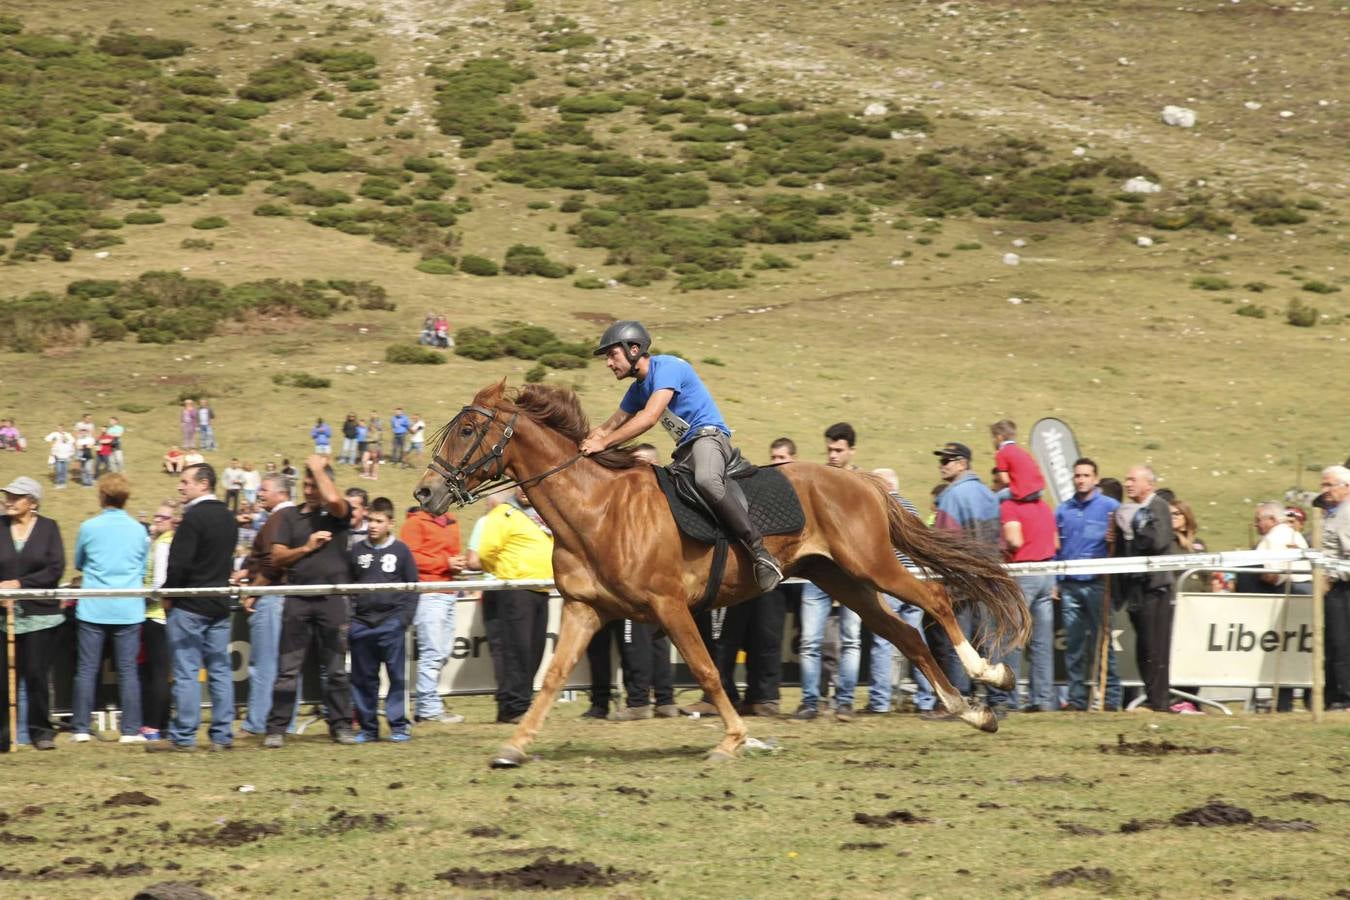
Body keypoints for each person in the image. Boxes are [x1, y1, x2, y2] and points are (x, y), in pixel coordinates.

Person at [580, 320, 782, 593]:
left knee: (707, 480)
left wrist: (603, 444)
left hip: (709, 439)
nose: (608, 363)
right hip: (684, 452)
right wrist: (581, 445)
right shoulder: (637, 389)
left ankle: (760, 553)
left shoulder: (668, 368)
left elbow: (649, 418)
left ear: (634, 349)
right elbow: (607, 427)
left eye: (612, 355)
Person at [264, 455, 357, 747]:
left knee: (336, 670)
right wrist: (306, 547)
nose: (308, 490)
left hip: (332, 600)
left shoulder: (338, 514)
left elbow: (334, 498)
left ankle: (341, 725)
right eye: (305, 484)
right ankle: (277, 728)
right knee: (288, 670)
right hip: (298, 599)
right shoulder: (290, 517)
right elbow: (276, 557)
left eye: (313, 484)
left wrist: (317, 467)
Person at [583, 444, 679, 720]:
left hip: (644, 581)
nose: (639, 471)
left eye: (646, 465)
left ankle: (646, 701)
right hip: (641, 580)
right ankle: (660, 700)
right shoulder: (632, 499)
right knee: (648, 642)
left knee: (646, 643)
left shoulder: (658, 501)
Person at [149, 464, 238, 753]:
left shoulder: (193, 518)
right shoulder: (229, 517)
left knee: (187, 671)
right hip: (219, 604)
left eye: (185, 482)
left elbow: (179, 564)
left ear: (203, 484)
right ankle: (222, 735)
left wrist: (168, 594)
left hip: (189, 605)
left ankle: (184, 736)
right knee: (220, 671)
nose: (180, 486)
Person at [70, 474, 149, 744]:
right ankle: (130, 730)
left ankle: (80, 728)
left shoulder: (88, 527)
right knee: (128, 670)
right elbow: (142, 566)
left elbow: (79, 562)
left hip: (93, 606)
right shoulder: (139, 530)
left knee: (87, 669)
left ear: (102, 496)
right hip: (128, 608)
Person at [793, 423, 864, 720]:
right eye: (830, 450)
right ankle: (810, 701)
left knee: (851, 638)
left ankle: (844, 701)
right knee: (810, 640)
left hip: (852, 571)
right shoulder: (819, 482)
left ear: (851, 451)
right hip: (819, 569)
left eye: (839, 450)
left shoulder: (860, 487)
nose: (833, 455)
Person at [930, 441, 1005, 714]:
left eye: (947, 460)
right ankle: (998, 700)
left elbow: (943, 543)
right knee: (987, 640)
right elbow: (999, 539)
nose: (942, 465)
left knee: (958, 642)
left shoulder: (951, 496)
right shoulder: (989, 494)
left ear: (962, 463)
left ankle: (961, 702)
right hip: (989, 579)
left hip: (961, 582)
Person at [471, 489, 554, 724]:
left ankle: (521, 702)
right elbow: (485, 552)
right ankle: (513, 707)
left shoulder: (541, 515)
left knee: (535, 650)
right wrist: (505, 571)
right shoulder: (502, 513)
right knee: (517, 650)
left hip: (541, 589)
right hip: (516, 590)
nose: (525, 492)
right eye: (521, 487)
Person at [852, 467, 927, 715]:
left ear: (883, 486)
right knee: (917, 637)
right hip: (914, 579)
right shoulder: (911, 507)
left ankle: (880, 701)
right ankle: (927, 699)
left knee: (883, 640)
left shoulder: (878, 506)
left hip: (890, 580)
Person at [0, 476, 65, 751]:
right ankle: (5, 734)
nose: (9, 501)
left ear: (33, 502)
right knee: (4, 678)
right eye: (8, 496)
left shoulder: (49, 528)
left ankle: (41, 731)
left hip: (41, 616)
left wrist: (20, 584)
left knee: (36, 674)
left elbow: (55, 568)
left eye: (16, 497)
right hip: (4, 617)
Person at [348, 497, 420, 742]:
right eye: (370, 520)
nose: (372, 525)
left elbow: (413, 587)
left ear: (390, 523)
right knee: (363, 679)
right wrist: (351, 620)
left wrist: (404, 619)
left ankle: (398, 726)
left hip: (392, 623)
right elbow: (347, 587)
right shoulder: (356, 551)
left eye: (379, 521)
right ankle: (368, 728)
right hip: (361, 625)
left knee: (397, 677)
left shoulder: (401, 551)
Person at [1055, 458, 1122, 711]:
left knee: (1103, 643)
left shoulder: (1110, 507)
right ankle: (1076, 699)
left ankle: (1110, 697)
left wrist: (1116, 538)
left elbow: (1126, 542)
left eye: (1086, 475)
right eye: (1078, 475)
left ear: (1095, 479)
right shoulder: (1063, 510)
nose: (1081, 480)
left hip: (1098, 585)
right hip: (1070, 586)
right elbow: (1056, 549)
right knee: (1074, 645)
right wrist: (1055, 581)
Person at [233, 474, 294, 737]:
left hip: (270, 596)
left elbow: (273, 562)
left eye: (264, 489)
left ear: (281, 493)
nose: (259, 493)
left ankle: (258, 722)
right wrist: (247, 571)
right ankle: (286, 721)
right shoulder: (292, 517)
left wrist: (254, 591)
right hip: (286, 596)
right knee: (287, 664)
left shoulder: (278, 519)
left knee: (265, 663)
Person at [1113, 465, 1175, 713]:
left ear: (1149, 484)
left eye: (1132, 480)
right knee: (1143, 645)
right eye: (1126, 479)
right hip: (1135, 587)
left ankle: (1159, 701)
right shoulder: (1127, 510)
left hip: (1155, 587)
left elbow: (1158, 542)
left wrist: (1138, 527)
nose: (1127, 484)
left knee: (1155, 645)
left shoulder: (1158, 506)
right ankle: (1152, 696)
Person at [401, 502, 467, 724]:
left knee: (443, 651)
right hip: (428, 593)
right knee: (432, 651)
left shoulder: (452, 521)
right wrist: (446, 562)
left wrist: (457, 563)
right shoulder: (414, 523)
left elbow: (450, 554)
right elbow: (410, 558)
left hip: (448, 592)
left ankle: (425, 704)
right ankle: (428, 707)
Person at [999, 466, 1058, 712]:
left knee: (1013, 639)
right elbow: (1055, 542)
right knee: (1042, 642)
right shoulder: (1045, 507)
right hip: (1047, 573)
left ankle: (1009, 698)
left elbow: (1015, 540)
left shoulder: (1010, 507)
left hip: (1023, 574)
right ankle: (1042, 698)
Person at [140, 500, 179, 742]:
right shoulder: (164, 542)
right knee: (163, 672)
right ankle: (161, 723)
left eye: (163, 517)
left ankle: (155, 724)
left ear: (173, 522)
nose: (157, 520)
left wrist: (147, 598)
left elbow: (160, 581)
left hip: (156, 615)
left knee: (158, 673)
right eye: (156, 516)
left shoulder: (164, 544)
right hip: (161, 614)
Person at [1319, 466, 1350, 710]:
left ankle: (1344, 696)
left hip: (1343, 586)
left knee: (1341, 642)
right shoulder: (1333, 513)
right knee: (1333, 641)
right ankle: (1334, 694)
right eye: (1323, 485)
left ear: (1346, 487)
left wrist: (1331, 576)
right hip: (1334, 587)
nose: (1324, 490)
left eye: (1329, 485)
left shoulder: (1347, 514)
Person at [44, 424, 75, 489]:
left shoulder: (67, 434)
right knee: (58, 470)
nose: (59, 429)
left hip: (65, 454)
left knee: (64, 470)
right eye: (58, 428)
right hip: (57, 454)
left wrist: (65, 438)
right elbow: (46, 439)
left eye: (61, 428)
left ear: (63, 428)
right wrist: (53, 441)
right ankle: (58, 483)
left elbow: (72, 440)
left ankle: (63, 483)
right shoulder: (54, 434)